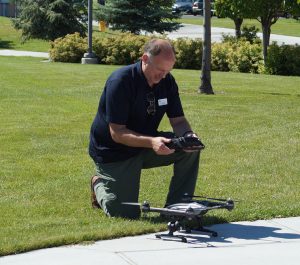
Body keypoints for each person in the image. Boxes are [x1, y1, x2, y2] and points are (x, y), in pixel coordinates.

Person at [89, 39, 202, 219]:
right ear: (144, 59)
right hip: (114, 151)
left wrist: (188, 136)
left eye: (167, 71)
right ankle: (99, 183)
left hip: (147, 143)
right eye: (159, 70)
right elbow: (117, 132)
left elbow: (178, 120)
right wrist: (152, 142)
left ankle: (178, 207)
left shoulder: (167, 81)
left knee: (190, 149)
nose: (163, 76)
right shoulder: (121, 81)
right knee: (124, 213)